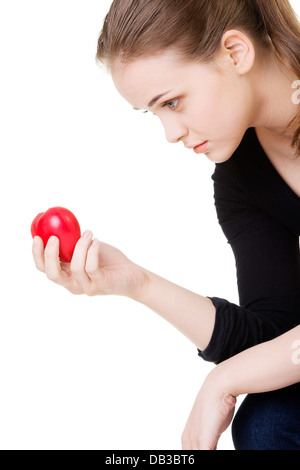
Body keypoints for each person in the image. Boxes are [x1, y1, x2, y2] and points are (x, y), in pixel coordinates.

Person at [32, 0, 300, 450]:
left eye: (172, 102)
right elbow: (275, 341)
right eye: (154, 113)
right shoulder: (242, 177)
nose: (170, 133)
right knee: (268, 421)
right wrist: (137, 283)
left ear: (235, 53)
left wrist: (223, 380)